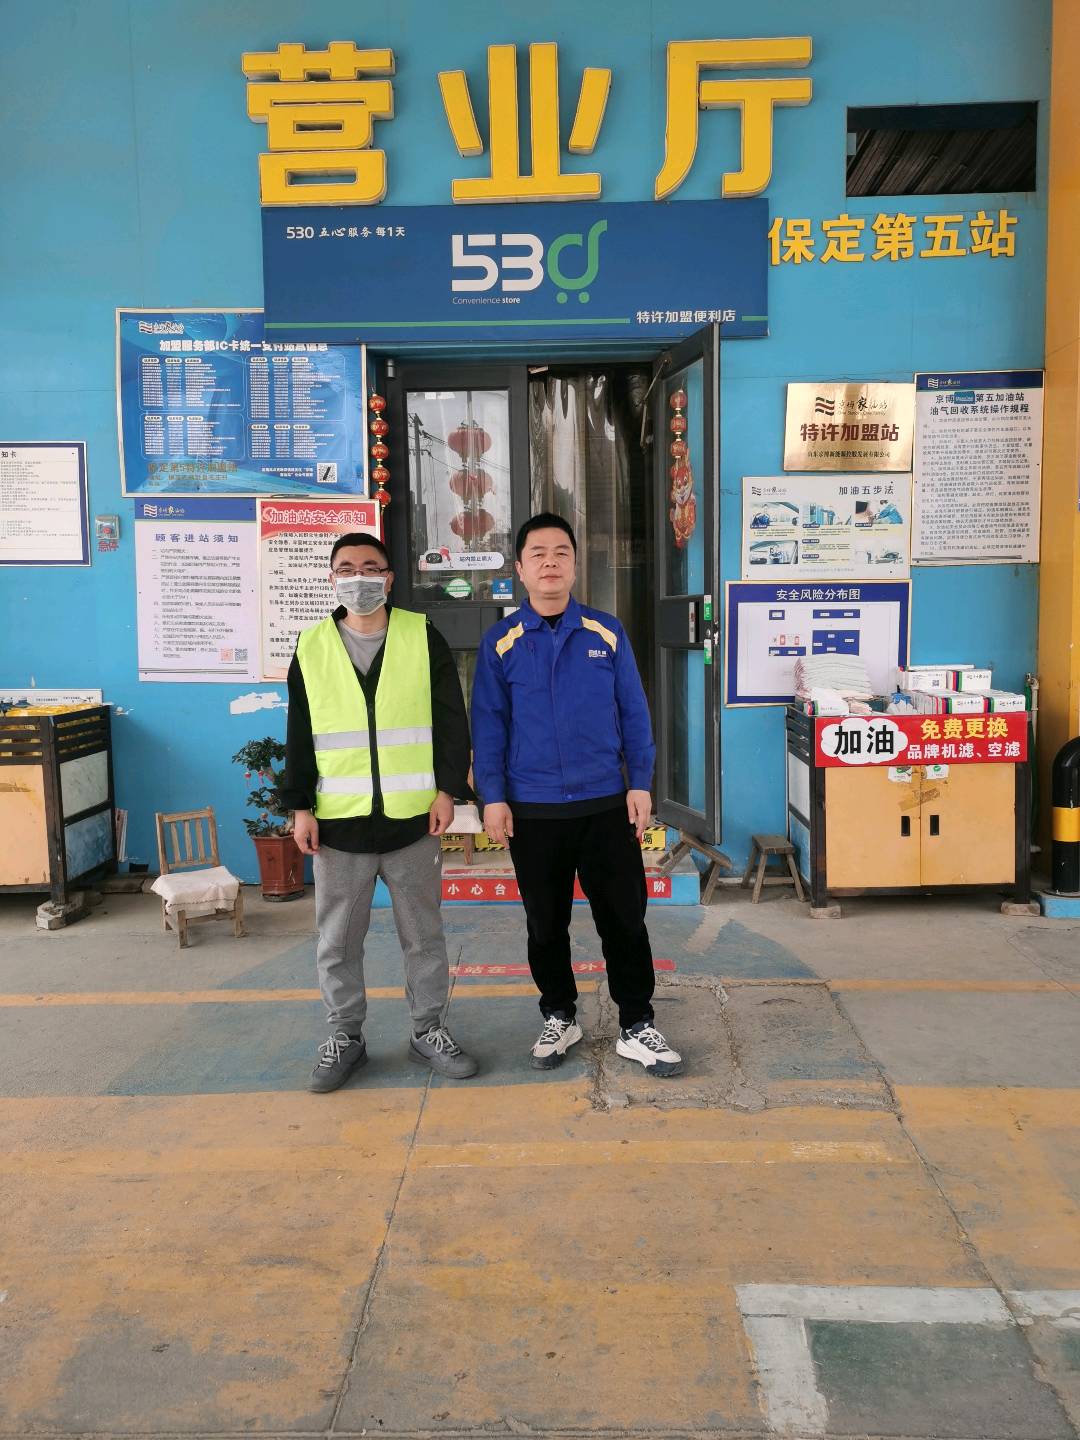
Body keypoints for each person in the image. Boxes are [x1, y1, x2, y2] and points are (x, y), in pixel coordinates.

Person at [471, 513, 683, 1077]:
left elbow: (634, 713)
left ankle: (636, 1022)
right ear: (520, 570)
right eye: (537, 554)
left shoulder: (605, 633)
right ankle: (559, 1014)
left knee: (625, 919)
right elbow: (488, 726)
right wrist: (493, 797)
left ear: (574, 565)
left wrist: (640, 783)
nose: (550, 562)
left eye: (561, 552)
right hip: (533, 808)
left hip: (605, 804)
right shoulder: (501, 642)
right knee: (545, 923)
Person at [280, 532, 478, 1092]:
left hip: (413, 820)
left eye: (370, 567)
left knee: (424, 936)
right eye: (346, 568)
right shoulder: (312, 645)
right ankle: (346, 1036)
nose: (358, 578)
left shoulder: (421, 634)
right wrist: (300, 806)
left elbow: (451, 718)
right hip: (338, 824)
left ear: (389, 578)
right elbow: (299, 732)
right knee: (338, 940)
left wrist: (447, 790)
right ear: (331, 578)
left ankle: (428, 1030)